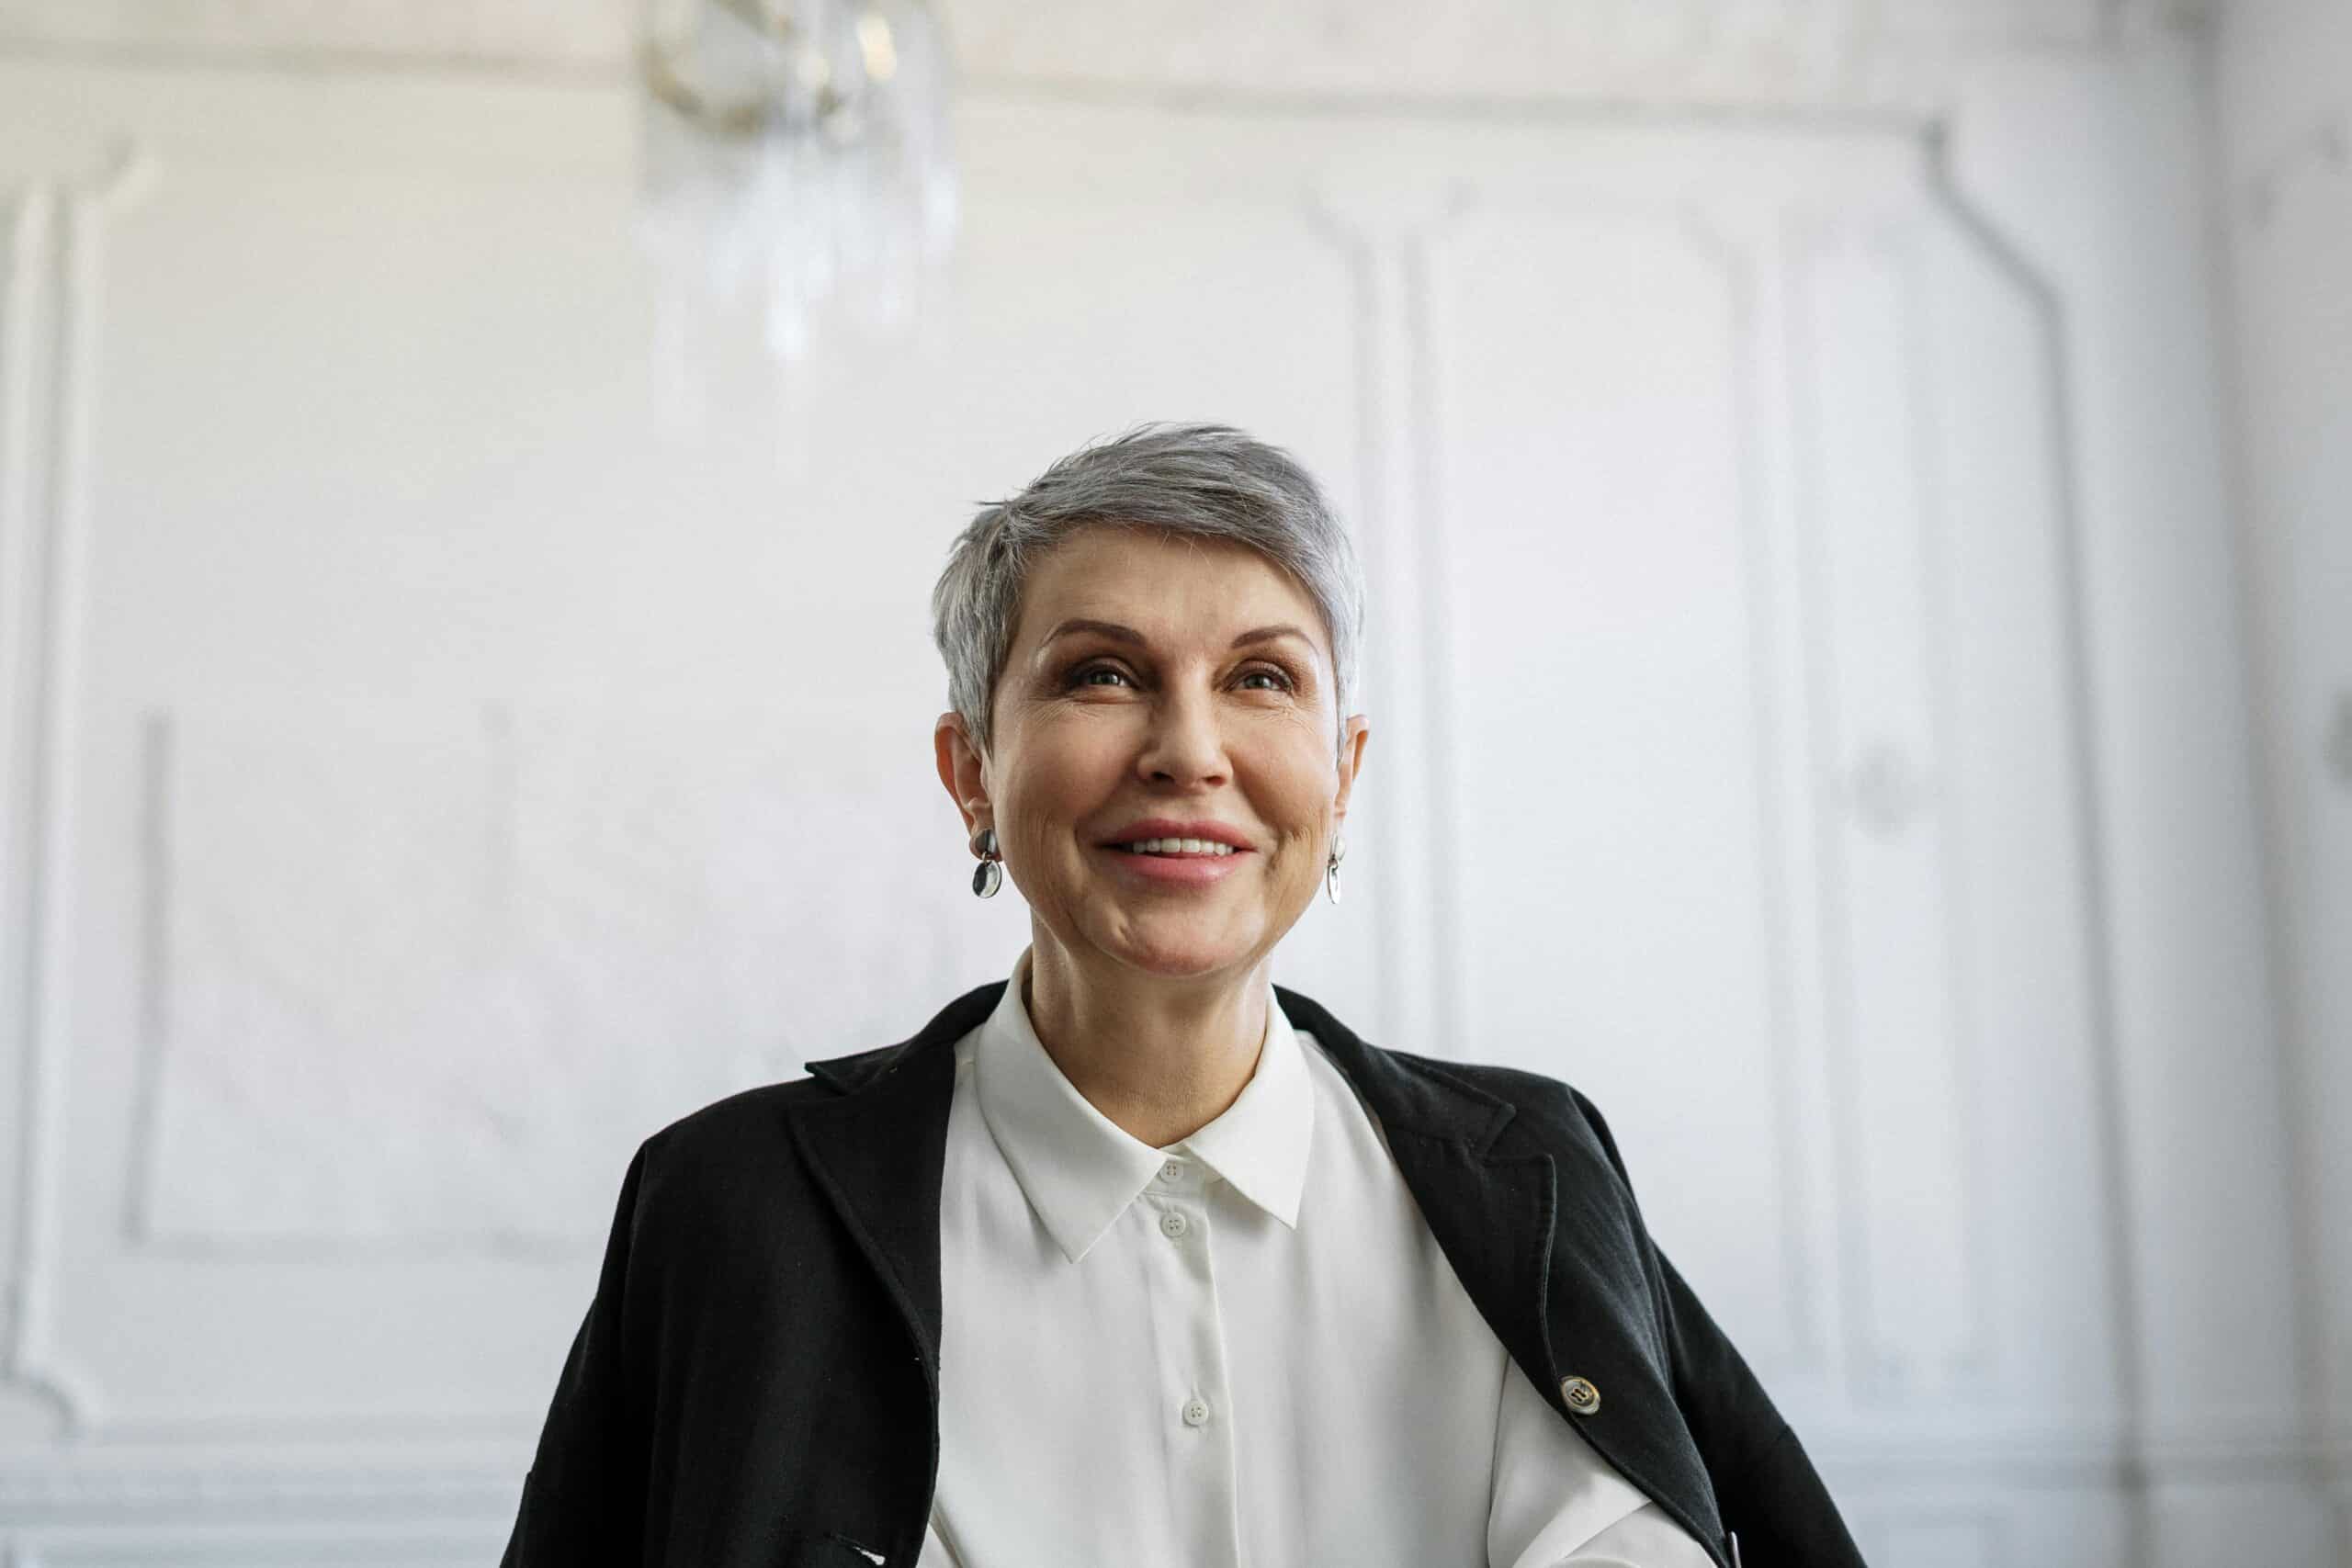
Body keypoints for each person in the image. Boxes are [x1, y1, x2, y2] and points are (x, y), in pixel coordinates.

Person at [502, 423, 1866, 1568]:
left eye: (1261, 679)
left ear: (1343, 777)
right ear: (972, 771)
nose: (1189, 751)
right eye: (1102, 674)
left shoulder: (1540, 1170)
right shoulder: (728, 1204)